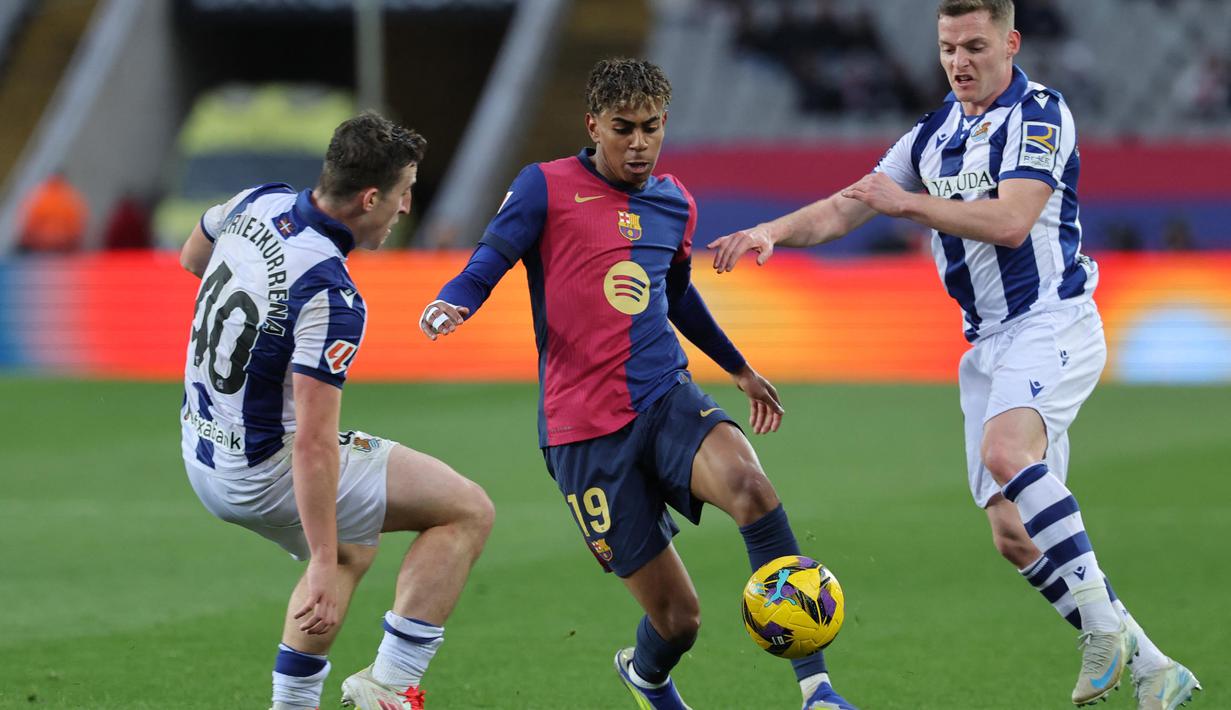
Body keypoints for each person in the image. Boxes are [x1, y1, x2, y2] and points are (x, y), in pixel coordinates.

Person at [708, 2, 1201, 708]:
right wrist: (771, 231)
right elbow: (852, 205)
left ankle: (1099, 627)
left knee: (1007, 452)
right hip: (988, 345)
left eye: (974, 45)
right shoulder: (932, 135)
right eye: (946, 48)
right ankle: (1154, 669)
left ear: (1010, 42)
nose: (958, 62)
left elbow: (1009, 220)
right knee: (1011, 533)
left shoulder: (1039, 114)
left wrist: (907, 207)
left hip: (1050, 320)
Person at [420, 58, 856, 710]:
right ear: (592, 124)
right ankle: (645, 676)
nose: (638, 143)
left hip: (663, 394)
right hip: (583, 434)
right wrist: (455, 301)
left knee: (751, 489)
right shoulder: (545, 186)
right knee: (678, 621)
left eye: (651, 127)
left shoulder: (672, 201)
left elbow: (677, 297)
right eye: (623, 128)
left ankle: (816, 688)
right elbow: (491, 257)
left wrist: (738, 367)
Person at [179, 112, 494, 710]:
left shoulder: (256, 200)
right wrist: (319, 562)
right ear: (371, 197)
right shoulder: (331, 291)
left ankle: (292, 704)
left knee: (356, 543)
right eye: (404, 195)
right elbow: (314, 443)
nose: (405, 209)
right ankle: (390, 688)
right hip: (261, 467)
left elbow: (192, 257)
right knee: (466, 510)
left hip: (202, 446)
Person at [17, 171, 88, 253]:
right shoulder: (72, 200)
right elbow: (78, 227)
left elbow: (26, 224)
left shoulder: (37, 197)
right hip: (62, 247)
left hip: (38, 245)